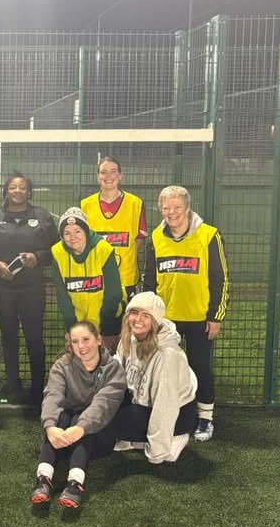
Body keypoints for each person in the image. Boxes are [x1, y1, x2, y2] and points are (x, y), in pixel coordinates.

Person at [144, 185, 229, 442]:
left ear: (187, 208)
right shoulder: (155, 237)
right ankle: (175, 416)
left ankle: (205, 418)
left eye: (177, 207)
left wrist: (215, 316)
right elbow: (150, 281)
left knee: (199, 366)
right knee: (164, 369)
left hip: (199, 318)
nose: (171, 212)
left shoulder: (208, 234)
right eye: (166, 208)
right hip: (166, 320)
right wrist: (149, 316)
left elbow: (220, 278)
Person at [0, 172, 59, 405]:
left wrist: (38, 257)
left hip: (32, 288)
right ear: (6, 191)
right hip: (2, 289)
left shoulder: (42, 217)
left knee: (34, 336)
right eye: (13, 187)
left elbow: (57, 249)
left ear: (29, 191)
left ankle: (37, 386)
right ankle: (12, 383)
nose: (17, 191)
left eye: (22, 187)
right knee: (9, 335)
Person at [29, 321, 126, 510]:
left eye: (86, 339)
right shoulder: (62, 365)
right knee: (62, 417)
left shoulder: (114, 369)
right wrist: (50, 427)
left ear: (99, 340)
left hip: (98, 438)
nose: (81, 346)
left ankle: (75, 484)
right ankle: (43, 479)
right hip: (64, 436)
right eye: (75, 341)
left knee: (81, 419)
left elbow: (102, 405)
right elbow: (53, 395)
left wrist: (81, 428)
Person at [109, 292, 198, 463]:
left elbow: (166, 405)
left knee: (108, 425)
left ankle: (175, 437)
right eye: (134, 312)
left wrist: (157, 451)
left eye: (146, 315)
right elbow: (116, 374)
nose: (138, 319)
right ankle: (137, 439)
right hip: (141, 402)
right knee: (102, 417)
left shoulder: (167, 355)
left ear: (156, 321)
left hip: (176, 414)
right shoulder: (129, 339)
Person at [51, 207, 125, 352]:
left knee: (106, 362)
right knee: (80, 361)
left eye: (77, 231)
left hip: (107, 321)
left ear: (86, 231)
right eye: (67, 233)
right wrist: (72, 328)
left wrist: (104, 329)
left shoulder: (103, 248)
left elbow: (113, 293)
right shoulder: (57, 253)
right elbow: (63, 297)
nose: (73, 237)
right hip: (78, 324)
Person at [80, 157, 147, 300]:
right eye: (103, 172)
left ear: (120, 175)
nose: (108, 176)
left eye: (113, 171)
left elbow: (139, 241)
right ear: (98, 177)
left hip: (126, 278)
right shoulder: (86, 205)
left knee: (126, 314)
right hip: (96, 277)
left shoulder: (135, 204)